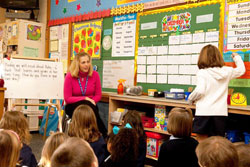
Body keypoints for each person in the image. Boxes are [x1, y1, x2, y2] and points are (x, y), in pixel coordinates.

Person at [188, 45, 245, 142]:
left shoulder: (202, 72)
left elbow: (200, 90)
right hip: (220, 113)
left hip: (204, 113)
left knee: (202, 144)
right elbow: (241, 70)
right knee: (216, 144)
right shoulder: (227, 71)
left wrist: (191, 99)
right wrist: (237, 57)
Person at [63, 51, 107, 137]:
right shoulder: (69, 76)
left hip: (90, 105)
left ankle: (95, 136)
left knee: (90, 107)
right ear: (77, 64)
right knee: (89, 106)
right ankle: (103, 134)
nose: (86, 64)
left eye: (88, 62)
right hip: (73, 106)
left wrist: (90, 101)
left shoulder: (95, 75)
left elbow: (98, 95)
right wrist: (85, 99)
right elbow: (67, 98)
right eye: (83, 62)